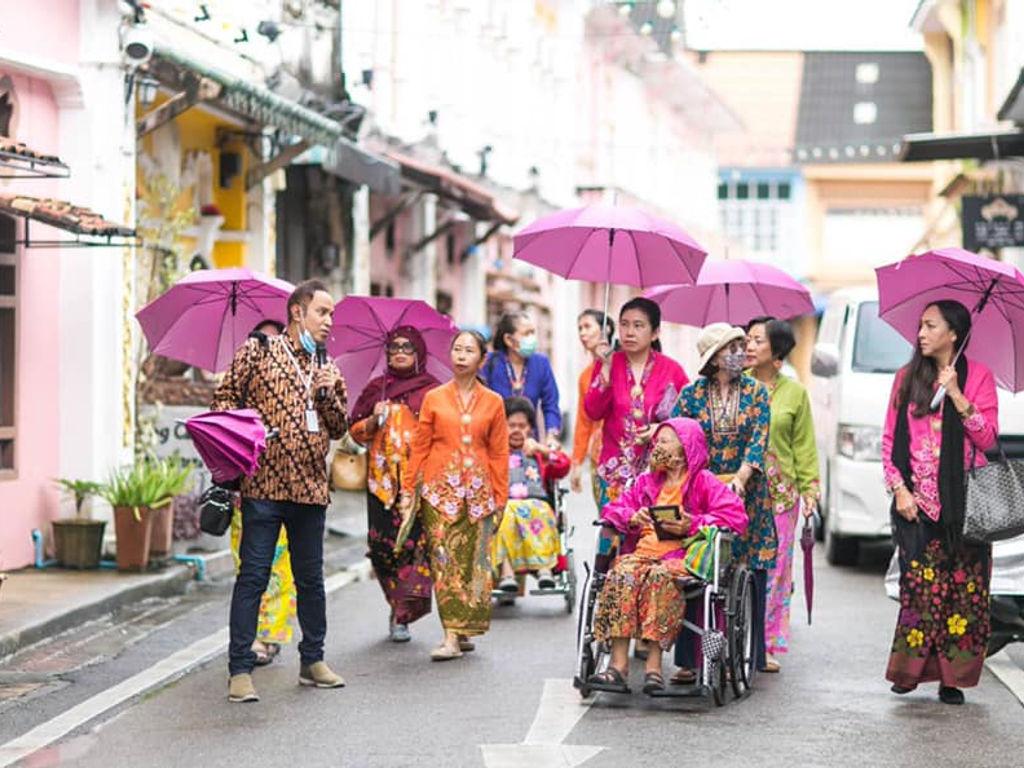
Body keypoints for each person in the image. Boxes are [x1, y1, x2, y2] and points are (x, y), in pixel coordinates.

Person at [213, 279, 348, 703]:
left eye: (331, 315)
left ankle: (313, 660)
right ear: (297, 312)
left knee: (311, 579)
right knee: (253, 575)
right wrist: (248, 432)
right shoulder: (260, 350)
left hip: (310, 488)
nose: (329, 321)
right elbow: (224, 399)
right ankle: (239, 669)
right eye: (322, 312)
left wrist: (325, 395)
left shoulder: (329, 367)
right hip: (263, 485)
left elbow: (340, 427)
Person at [882, 300, 998, 705]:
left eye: (931, 326)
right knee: (919, 592)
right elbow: (888, 443)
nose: (921, 333)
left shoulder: (979, 377)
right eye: (920, 326)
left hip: (966, 506)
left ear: (954, 333)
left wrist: (956, 394)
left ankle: (953, 679)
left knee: (963, 594)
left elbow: (987, 439)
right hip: (917, 505)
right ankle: (910, 673)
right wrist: (900, 489)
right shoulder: (905, 378)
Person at [586, 418, 747, 694]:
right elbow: (613, 510)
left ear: (685, 448)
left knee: (659, 577)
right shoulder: (646, 483)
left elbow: (735, 517)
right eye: (656, 441)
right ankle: (618, 666)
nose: (656, 445)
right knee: (621, 574)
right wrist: (631, 516)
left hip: (682, 556)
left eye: (664, 441)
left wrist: (693, 523)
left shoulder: (703, 481)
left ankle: (653, 668)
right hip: (643, 553)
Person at [669, 322, 773, 683]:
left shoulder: (758, 393)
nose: (741, 352)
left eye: (742, 345)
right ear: (713, 358)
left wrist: (740, 479)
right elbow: (682, 439)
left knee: (748, 569)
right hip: (703, 491)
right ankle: (689, 657)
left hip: (749, 493)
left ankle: (744, 654)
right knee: (700, 568)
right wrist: (707, 484)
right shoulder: (692, 395)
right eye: (732, 348)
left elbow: (758, 441)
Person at [399, 330, 510, 661]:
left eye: (469, 350)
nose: (461, 355)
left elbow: (499, 452)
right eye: (457, 349)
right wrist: (408, 490)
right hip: (438, 492)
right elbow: (419, 445)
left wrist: (500, 496)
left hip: (478, 495)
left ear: (481, 359)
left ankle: (463, 629)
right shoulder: (434, 397)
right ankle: (449, 635)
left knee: (471, 565)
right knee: (444, 561)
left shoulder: (494, 402)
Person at [349, 326, 439, 643]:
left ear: (419, 353)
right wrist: (373, 421)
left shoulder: (432, 392)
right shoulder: (378, 389)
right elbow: (355, 432)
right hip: (381, 485)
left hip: (419, 484)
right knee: (382, 549)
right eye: (394, 347)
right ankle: (394, 604)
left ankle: (403, 613)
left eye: (407, 347)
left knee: (415, 549)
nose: (399, 352)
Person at [746, 317, 819, 672]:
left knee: (776, 572)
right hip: (740, 494)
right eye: (746, 339)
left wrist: (810, 489)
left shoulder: (795, 393)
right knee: (738, 566)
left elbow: (803, 445)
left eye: (757, 340)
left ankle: (767, 642)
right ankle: (736, 636)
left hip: (781, 497)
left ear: (776, 353)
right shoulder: (736, 388)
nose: (748, 345)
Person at [227, 319, 295, 667]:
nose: (267, 346)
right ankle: (249, 636)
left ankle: (268, 634)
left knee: (279, 566)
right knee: (249, 565)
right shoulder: (236, 385)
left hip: (287, 492)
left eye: (274, 340)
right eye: (260, 340)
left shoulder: (296, 384)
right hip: (246, 490)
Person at [585, 297, 689, 510]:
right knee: (613, 538)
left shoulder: (672, 370)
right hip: (614, 472)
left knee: (651, 538)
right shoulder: (608, 363)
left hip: (659, 471)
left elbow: (688, 421)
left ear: (655, 332)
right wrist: (604, 367)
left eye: (638, 325)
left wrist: (660, 429)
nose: (629, 332)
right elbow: (592, 411)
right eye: (624, 324)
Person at [494, 396, 571, 597]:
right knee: (504, 515)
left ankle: (544, 569)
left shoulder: (537, 454)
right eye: (511, 425)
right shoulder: (495, 453)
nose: (517, 430)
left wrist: (542, 450)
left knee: (542, 511)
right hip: (506, 505)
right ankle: (507, 574)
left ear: (530, 428)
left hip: (537, 504)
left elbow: (563, 465)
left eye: (522, 425)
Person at [482, 311, 562, 441]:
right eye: (526, 333)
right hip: (495, 441)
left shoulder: (541, 363)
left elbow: (551, 405)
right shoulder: (489, 363)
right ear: (509, 339)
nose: (532, 338)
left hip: (528, 443)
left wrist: (551, 435)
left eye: (532, 332)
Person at [570, 310, 614, 506]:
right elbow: (583, 421)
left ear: (607, 330)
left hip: (626, 454)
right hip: (598, 457)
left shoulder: (623, 365)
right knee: (605, 517)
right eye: (580, 328)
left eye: (588, 326)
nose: (582, 333)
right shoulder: (585, 376)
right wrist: (577, 462)